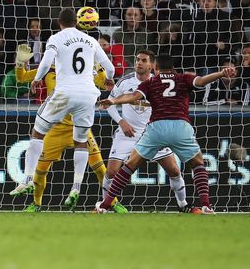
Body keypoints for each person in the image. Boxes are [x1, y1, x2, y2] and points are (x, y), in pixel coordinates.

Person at [95, 55, 236, 214]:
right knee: (198, 164)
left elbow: (133, 96)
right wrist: (221, 73)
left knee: (130, 166)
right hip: (180, 127)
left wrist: (113, 101)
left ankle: (104, 206)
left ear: (155, 67)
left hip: (156, 129)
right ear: (173, 67)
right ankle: (206, 205)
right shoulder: (184, 78)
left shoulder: (151, 82)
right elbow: (202, 81)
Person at [10, 9, 116, 210]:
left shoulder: (56, 41)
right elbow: (109, 69)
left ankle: (26, 180)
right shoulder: (90, 43)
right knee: (80, 144)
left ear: (59, 22)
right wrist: (109, 78)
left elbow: (45, 63)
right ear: (76, 22)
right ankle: (73, 187)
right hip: (85, 99)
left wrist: (37, 79)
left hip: (64, 96)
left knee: (37, 133)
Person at [104, 51, 191, 212]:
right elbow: (109, 103)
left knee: (174, 170)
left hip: (152, 135)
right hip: (127, 135)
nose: (139, 63)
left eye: (143, 60)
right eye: (137, 60)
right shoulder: (125, 81)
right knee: (111, 171)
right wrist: (121, 122)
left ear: (152, 65)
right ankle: (106, 205)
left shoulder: (159, 83)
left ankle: (183, 204)